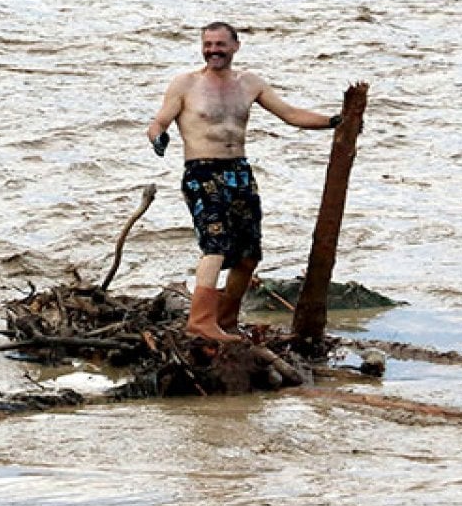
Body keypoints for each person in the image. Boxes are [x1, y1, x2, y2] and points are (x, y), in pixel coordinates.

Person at [146, 22, 343, 342]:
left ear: (235, 46)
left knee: (249, 254)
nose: (213, 51)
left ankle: (226, 320)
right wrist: (158, 137)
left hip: (239, 172)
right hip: (202, 172)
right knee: (216, 245)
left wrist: (334, 121)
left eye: (220, 45)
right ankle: (201, 322)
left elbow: (290, 114)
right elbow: (158, 120)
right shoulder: (185, 84)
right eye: (208, 44)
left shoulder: (249, 83)